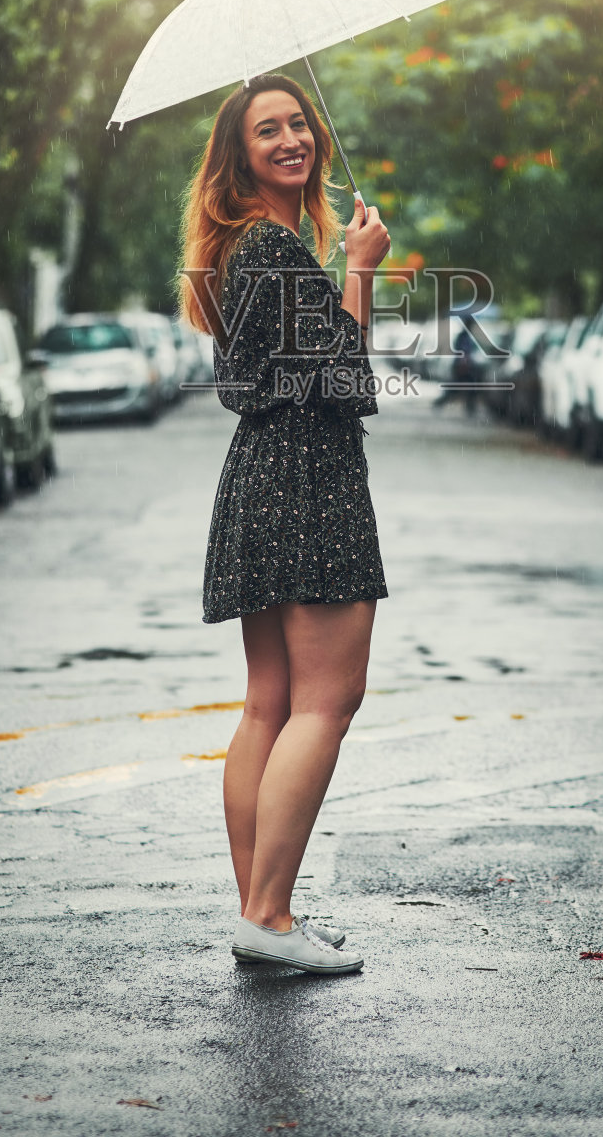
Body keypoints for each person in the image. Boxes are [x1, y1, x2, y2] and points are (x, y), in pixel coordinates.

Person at [179, 72, 391, 976]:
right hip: (307, 479)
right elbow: (345, 379)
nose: (292, 138)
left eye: (298, 123)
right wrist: (362, 270)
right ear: (240, 159)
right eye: (267, 131)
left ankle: (263, 915)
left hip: (262, 476)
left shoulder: (246, 248)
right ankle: (267, 914)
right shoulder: (271, 249)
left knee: (270, 702)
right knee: (325, 703)